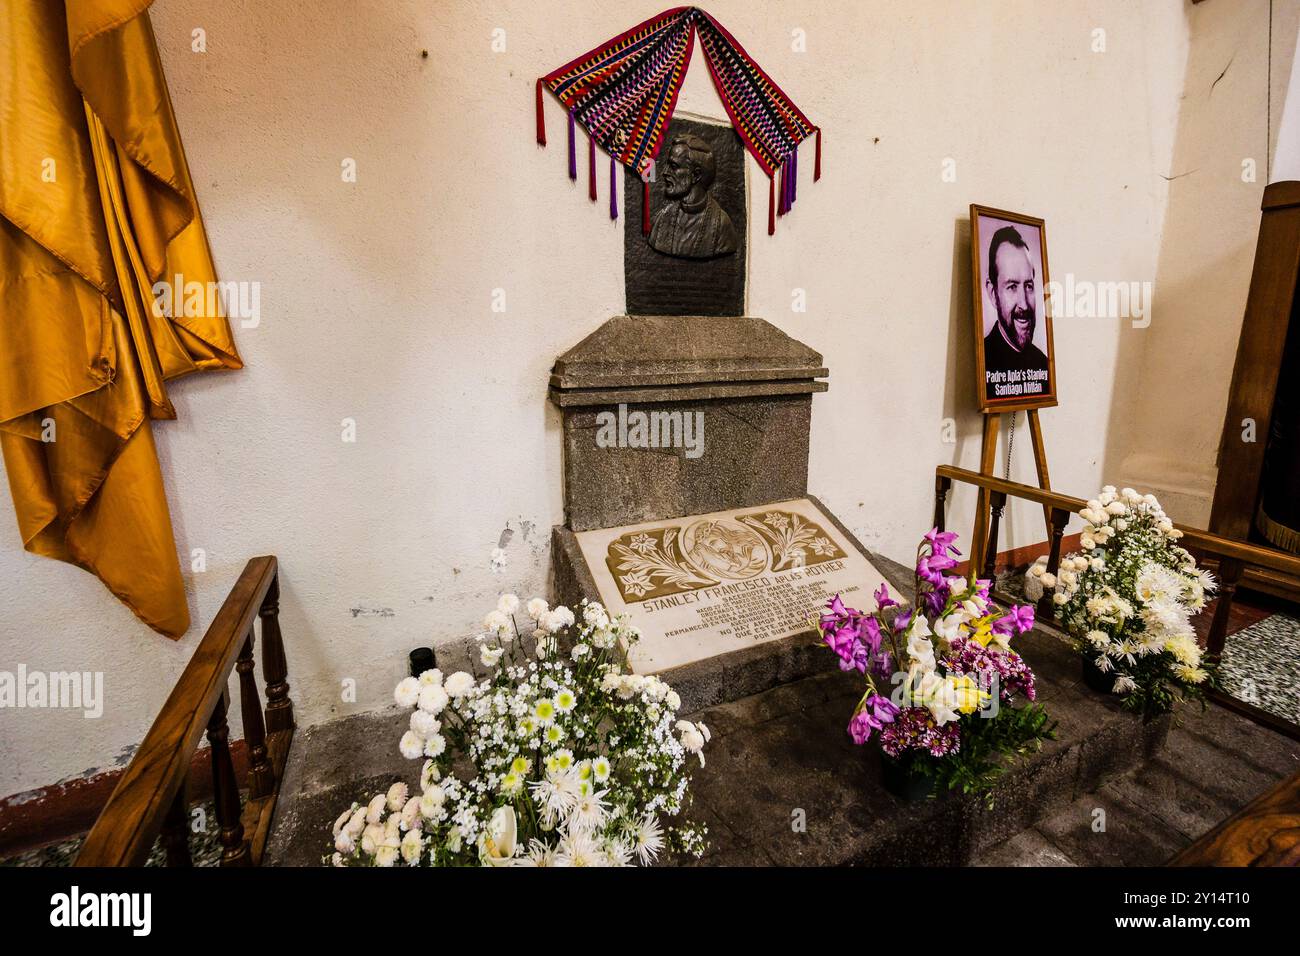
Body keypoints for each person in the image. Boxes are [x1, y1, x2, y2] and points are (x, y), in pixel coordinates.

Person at [983, 225, 1049, 400]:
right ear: (992, 293)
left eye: (1028, 286)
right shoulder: (983, 362)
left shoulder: (1043, 365)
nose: (1024, 305)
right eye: (1012, 287)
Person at [648, 134, 738, 259]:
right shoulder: (663, 218)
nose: (665, 172)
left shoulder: (721, 225)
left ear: (696, 175)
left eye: (674, 167)